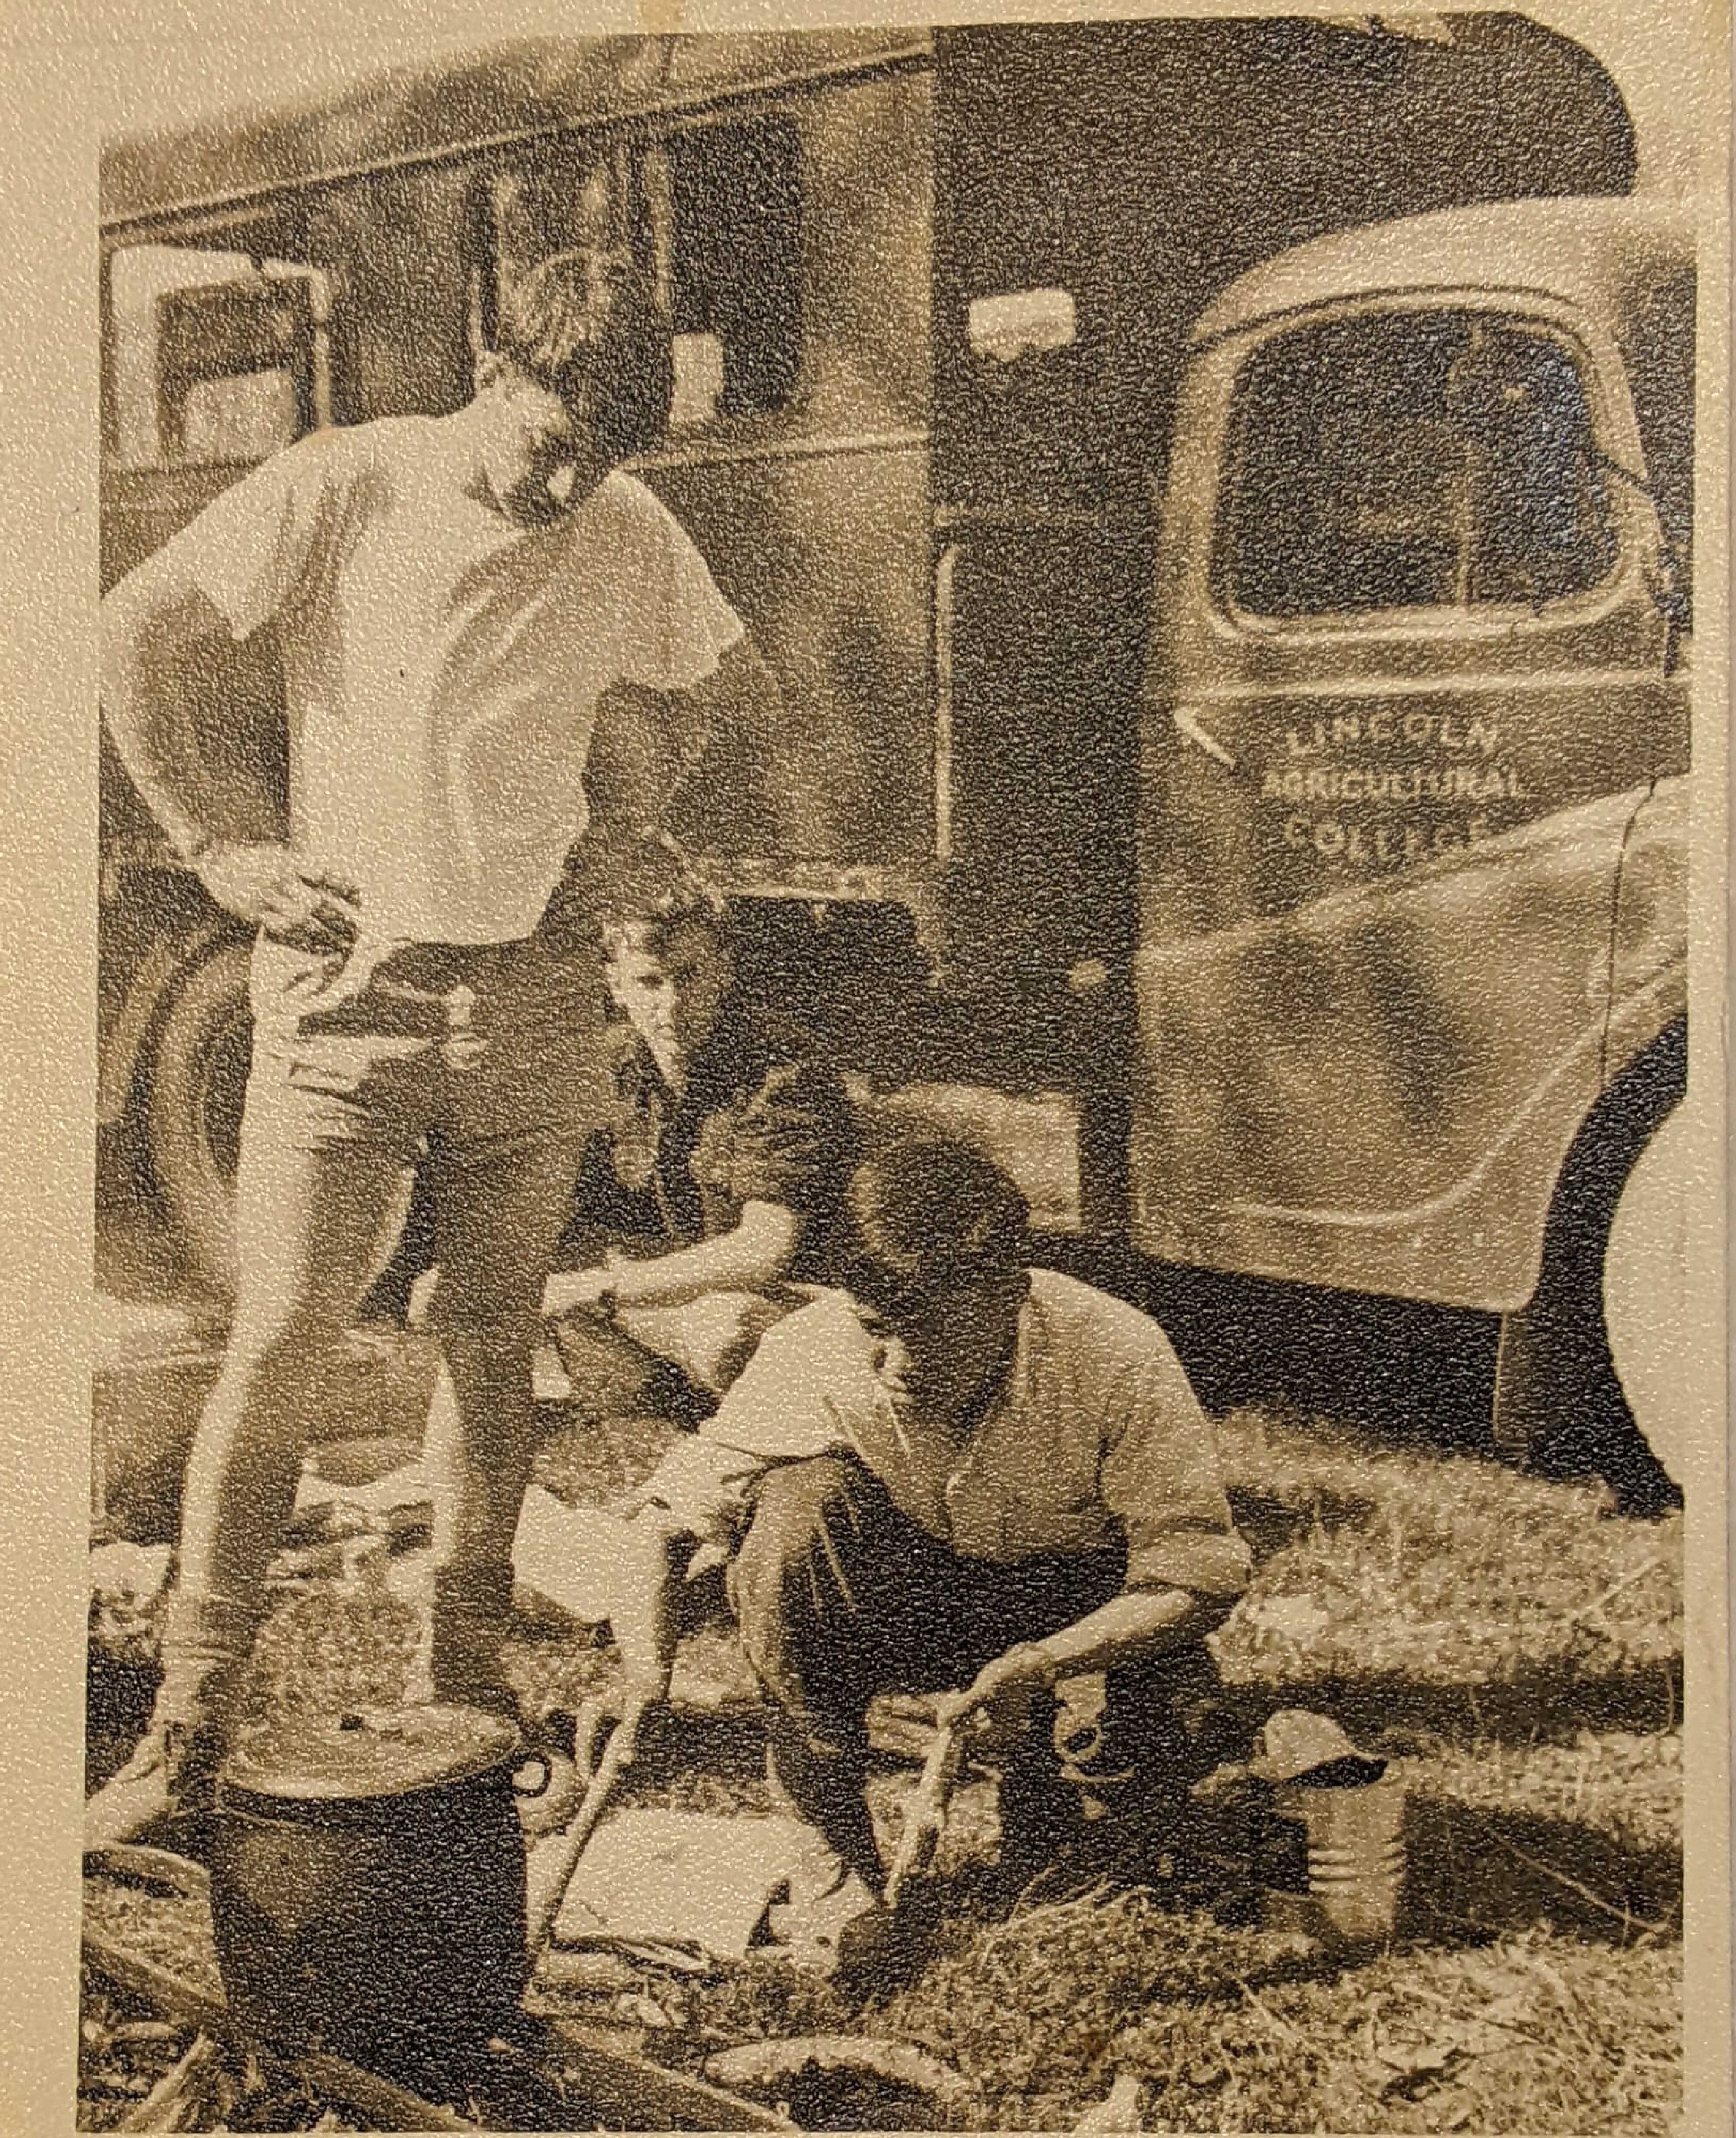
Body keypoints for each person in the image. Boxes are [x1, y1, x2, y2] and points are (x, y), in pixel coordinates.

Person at [88, 250, 780, 1850]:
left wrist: (635, 822)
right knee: (282, 1345)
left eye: (605, 451)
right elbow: (131, 631)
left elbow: (729, 686)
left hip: (536, 996)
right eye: (549, 437)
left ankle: (459, 1694)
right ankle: (184, 1735)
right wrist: (216, 848)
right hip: (348, 993)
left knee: (489, 1343)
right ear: (492, 362)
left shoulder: (623, 524)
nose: (566, 480)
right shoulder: (350, 481)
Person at [594, 1136, 1253, 1967]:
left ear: (1010, 1294)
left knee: (1123, 1796)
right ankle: (828, 1844)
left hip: (1073, 1608)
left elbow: (1198, 1575)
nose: (896, 1366)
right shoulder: (819, 1344)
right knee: (795, 1512)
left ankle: (1066, 1800)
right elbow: (664, 1519)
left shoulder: (1115, 1351)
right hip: (915, 1593)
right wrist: (645, 1678)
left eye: (931, 1331)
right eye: (878, 1330)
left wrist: (1045, 1662)